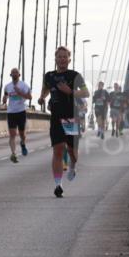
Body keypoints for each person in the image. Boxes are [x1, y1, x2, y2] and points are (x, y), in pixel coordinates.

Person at [38, 46, 89, 196]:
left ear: (69, 59)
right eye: (59, 57)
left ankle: (73, 166)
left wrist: (71, 91)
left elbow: (86, 92)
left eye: (64, 57)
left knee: (72, 152)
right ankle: (58, 185)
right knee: (58, 149)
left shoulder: (75, 75)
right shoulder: (49, 76)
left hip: (71, 117)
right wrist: (42, 97)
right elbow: (46, 89)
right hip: (55, 118)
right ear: (55, 59)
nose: (62, 59)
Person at [1, 67, 32, 162]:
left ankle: (23, 143)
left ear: (19, 75)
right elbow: (5, 96)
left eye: (16, 73)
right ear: (10, 75)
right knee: (12, 134)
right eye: (13, 73)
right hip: (11, 112)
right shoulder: (7, 86)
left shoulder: (24, 85)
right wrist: (4, 99)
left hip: (21, 111)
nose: (14, 74)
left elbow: (30, 97)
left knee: (22, 134)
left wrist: (20, 93)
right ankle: (13, 153)